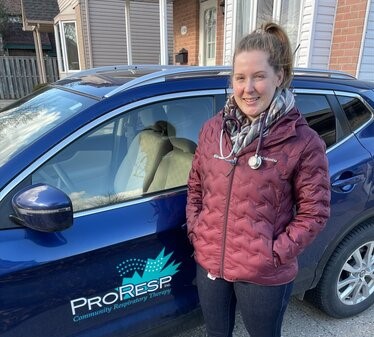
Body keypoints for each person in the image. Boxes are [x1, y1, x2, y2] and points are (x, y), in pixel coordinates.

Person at [186, 22, 331, 337]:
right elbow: (196, 187)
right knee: (215, 333)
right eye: (240, 78)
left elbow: (314, 212)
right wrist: (198, 231)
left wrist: (273, 253)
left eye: (258, 76)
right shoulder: (213, 130)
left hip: (263, 272)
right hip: (211, 262)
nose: (247, 88)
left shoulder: (302, 141)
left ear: (278, 77)